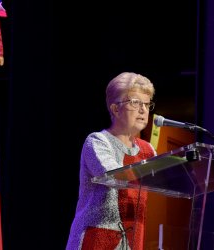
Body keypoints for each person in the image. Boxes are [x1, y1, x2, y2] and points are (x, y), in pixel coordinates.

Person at [66, 72, 157, 250]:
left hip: (133, 240)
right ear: (115, 109)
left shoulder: (148, 150)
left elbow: (165, 182)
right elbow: (117, 177)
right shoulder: (97, 142)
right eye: (135, 103)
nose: (143, 110)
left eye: (146, 104)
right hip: (96, 240)